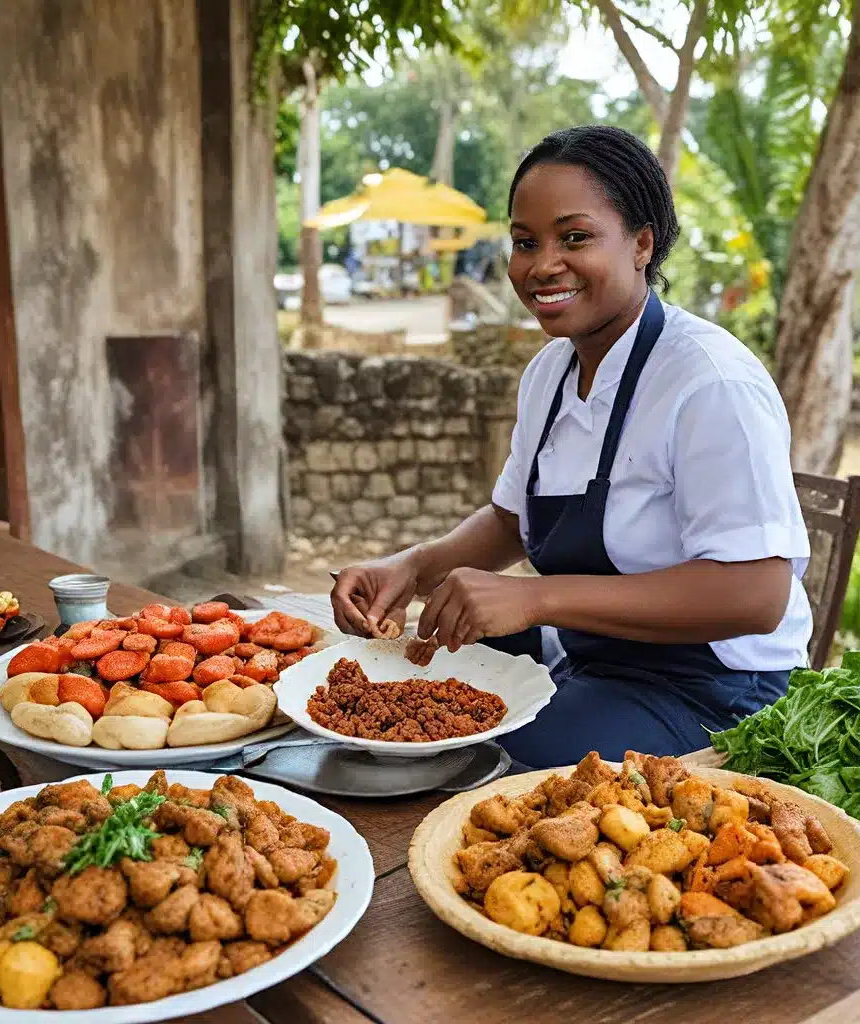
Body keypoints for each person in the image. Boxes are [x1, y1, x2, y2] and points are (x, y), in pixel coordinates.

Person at [331, 124, 813, 768]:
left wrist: (535, 598)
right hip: (594, 655)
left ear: (642, 244)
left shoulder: (708, 381)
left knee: (477, 762)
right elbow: (513, 520)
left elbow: (755, 595)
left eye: (575, 237)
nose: (541, 265)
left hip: (717, 694)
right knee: (388, 701)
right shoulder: (551, 371)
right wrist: (413, 569)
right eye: (525, 242)